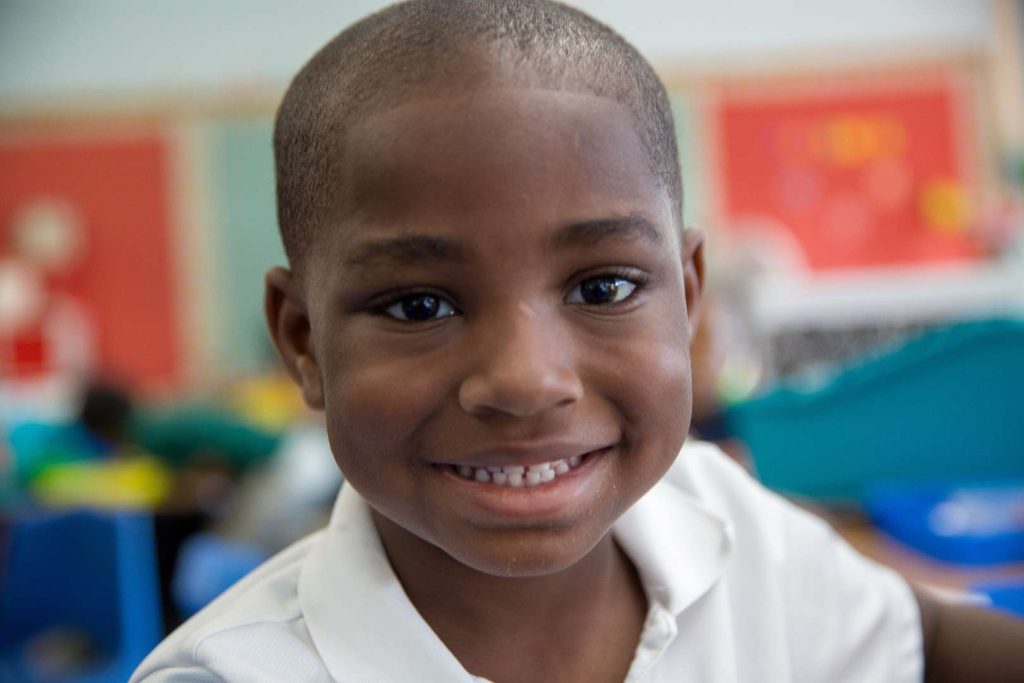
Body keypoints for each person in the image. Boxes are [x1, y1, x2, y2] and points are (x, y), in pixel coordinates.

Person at [132, 2, 1024, 681]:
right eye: (417, 306)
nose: (525, 380)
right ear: (303, 341)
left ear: (686, 295)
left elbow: (931, 638)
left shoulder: (715, 520)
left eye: (603, 287)